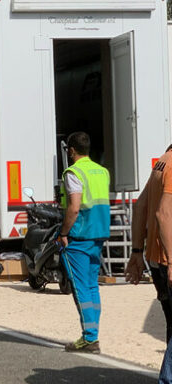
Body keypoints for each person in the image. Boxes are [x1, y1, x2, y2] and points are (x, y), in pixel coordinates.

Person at [126, 145, 172, 384]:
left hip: (157, 260)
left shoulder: (162, 163)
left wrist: (136, 253)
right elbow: (163, 214)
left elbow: (141, 205)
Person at [56, 132, 110, 354]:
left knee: (80, 288)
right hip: (98, 234)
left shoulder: (73, 172)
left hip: (79, 235)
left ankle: (89, 338)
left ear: (71, 150)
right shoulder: (102, 171)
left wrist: (63, 233)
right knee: (91, 285)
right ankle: (93, 333)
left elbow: (74, 207)